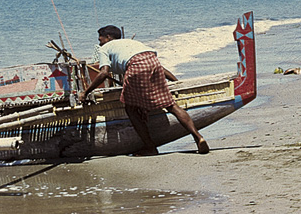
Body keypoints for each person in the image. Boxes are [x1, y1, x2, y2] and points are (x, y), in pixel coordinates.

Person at [81, 25, 209, 156]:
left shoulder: (105, 48)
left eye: (100, 39)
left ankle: (150, 147)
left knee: (130, 108)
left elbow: (103, 73)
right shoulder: (131, 42)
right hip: (153, 61)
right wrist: (177, 83)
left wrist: (85, 92)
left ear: (108, 38)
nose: (99, 42)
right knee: (171, 105)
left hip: (135, 66)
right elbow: (161, 68)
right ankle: (198, 137)